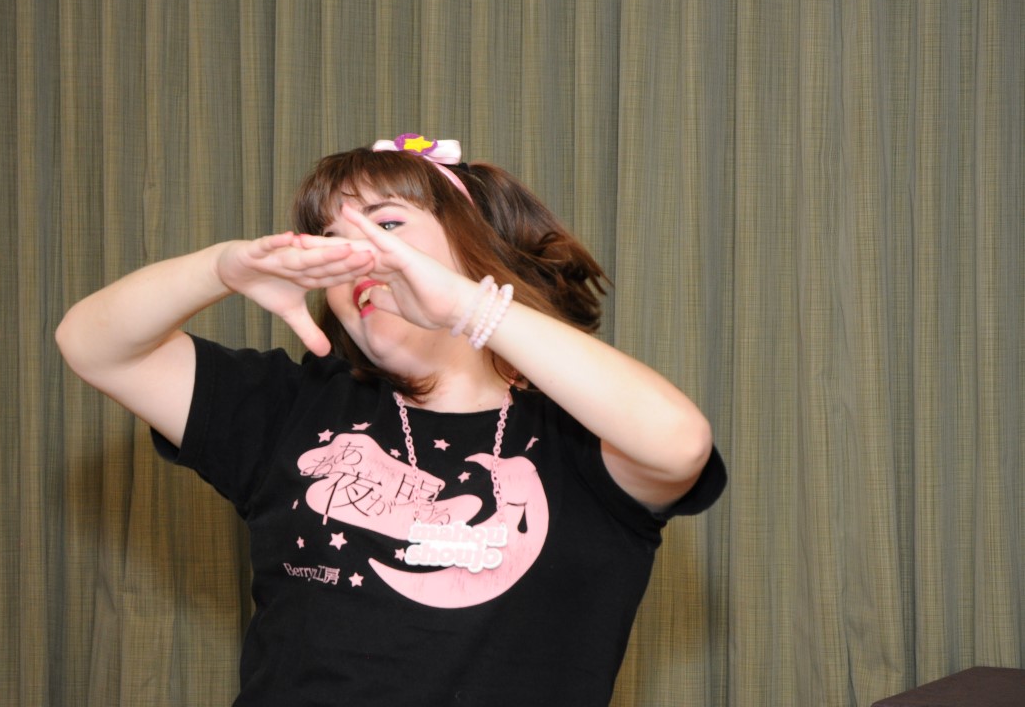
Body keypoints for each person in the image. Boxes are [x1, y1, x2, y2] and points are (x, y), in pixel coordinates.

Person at [56, 134, 726, 707]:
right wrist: (218, 269)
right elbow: (93, 345)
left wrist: (469, 308)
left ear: (472, 243)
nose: (354, 254)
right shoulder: (293, 407)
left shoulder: (577, 431)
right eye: (330, 240)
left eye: (387, 225)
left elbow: (679, 443)